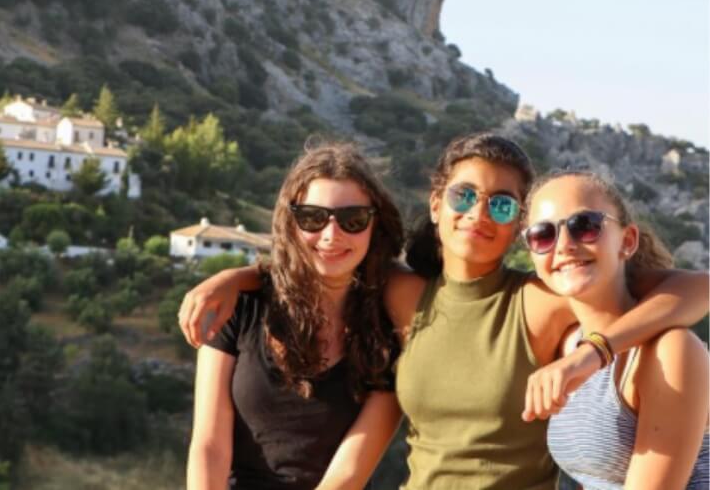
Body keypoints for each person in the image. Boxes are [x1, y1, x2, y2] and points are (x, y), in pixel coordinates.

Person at [180, 133, 709, 489]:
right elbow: (324, 256)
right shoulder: (403, 293)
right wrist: (239, 276)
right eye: (463, 196)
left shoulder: (545, 295)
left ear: (516, 226)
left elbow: (693, 289)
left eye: (502, 204)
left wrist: (591, 353)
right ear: (436, 205)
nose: (479, 213)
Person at [186, 142, 404, 490]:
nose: (332, 235)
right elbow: (209, 446)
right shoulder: (240, 306)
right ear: (291, 222)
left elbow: (347, 476)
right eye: (313, 218)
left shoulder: (390, 330)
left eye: (354, 220)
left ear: (375, 226)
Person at [522, 170, 709, 489]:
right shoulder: (568, 343)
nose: (564, 245)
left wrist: (595, 352)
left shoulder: (669, 351)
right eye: (543, 234)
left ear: (628, 241)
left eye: (585, 226)